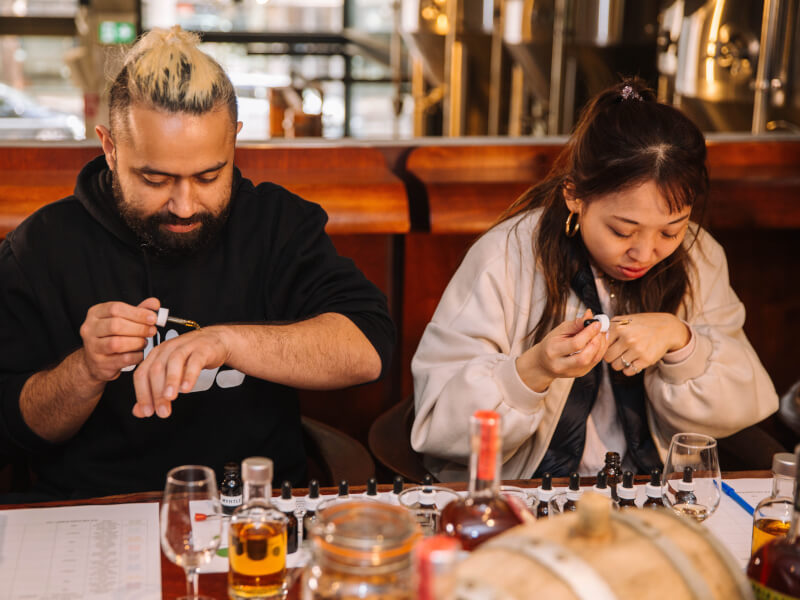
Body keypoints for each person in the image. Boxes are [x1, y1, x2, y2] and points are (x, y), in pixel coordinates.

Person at [0, 26, 394, 500]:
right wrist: (85, 370)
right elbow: (15, 426)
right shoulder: (44, 246)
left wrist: (227, 342)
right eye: (155, 178)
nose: (185, 205)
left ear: (234, 143)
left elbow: (368, 348)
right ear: (109, 148)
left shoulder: (273, 223)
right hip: (94, 507)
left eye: (209, 176)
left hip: (254, 507)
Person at [411, 78, 778, 481]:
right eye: (622, 231)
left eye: (670, 231)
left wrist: (681, 342)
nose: (644, 253)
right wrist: (532, 370)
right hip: (531, 491)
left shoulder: (699, 256)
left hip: (652, 489)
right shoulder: (504, 256)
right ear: (574, 196)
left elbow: (742, 405)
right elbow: (438, 422)